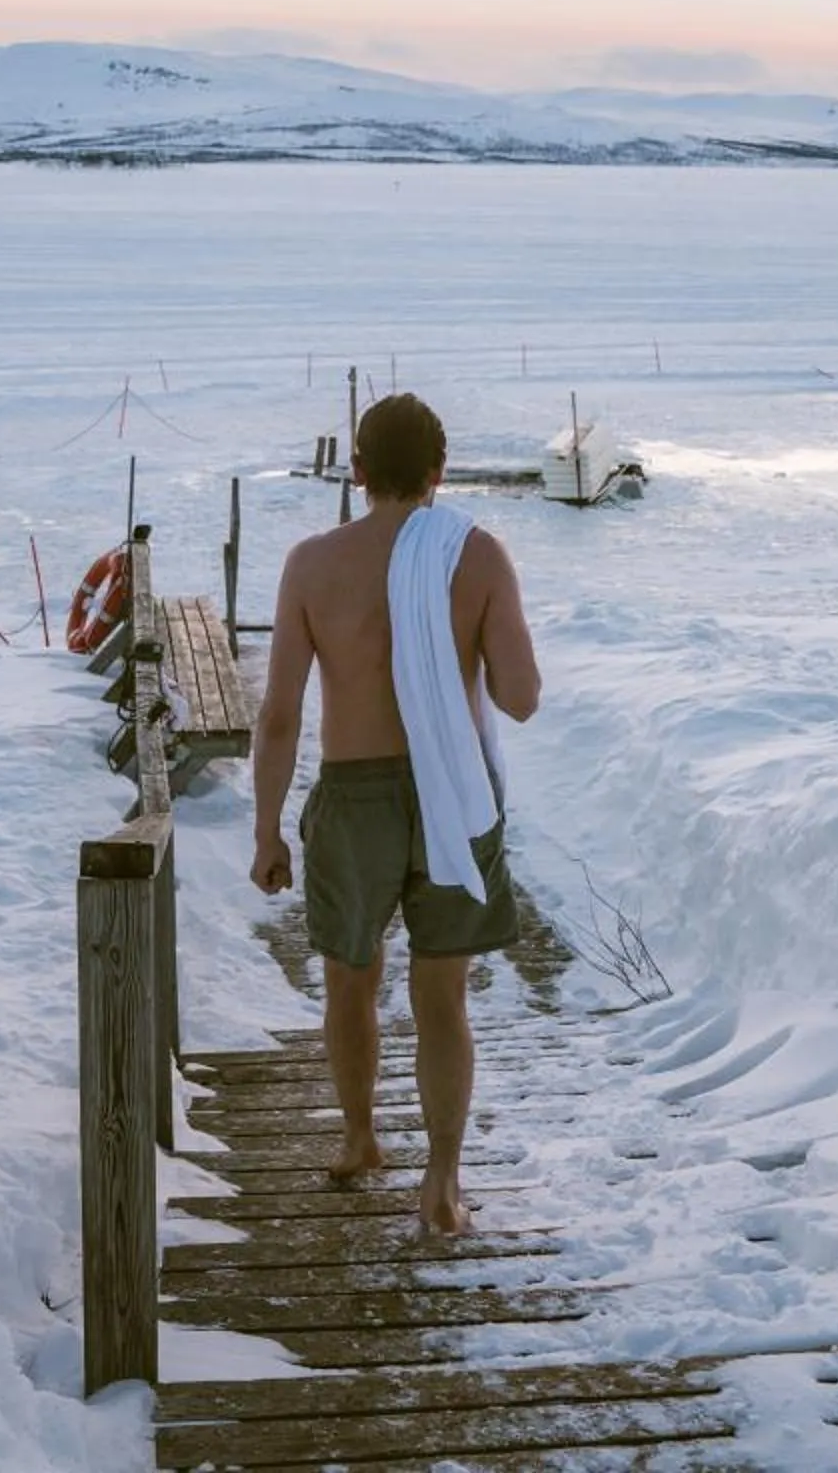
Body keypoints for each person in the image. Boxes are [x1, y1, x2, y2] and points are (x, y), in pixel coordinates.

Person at [250, 392, 541, 1236]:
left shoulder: (311, 563)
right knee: (442, 996)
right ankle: (442, 1183)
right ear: (439, 474)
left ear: (359, 470)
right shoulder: (477, 556)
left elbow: (278, 714)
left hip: (353, 796)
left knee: (351, 978)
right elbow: (519, 700)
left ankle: (358, 1139)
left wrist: (267, 828)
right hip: (450, 790)